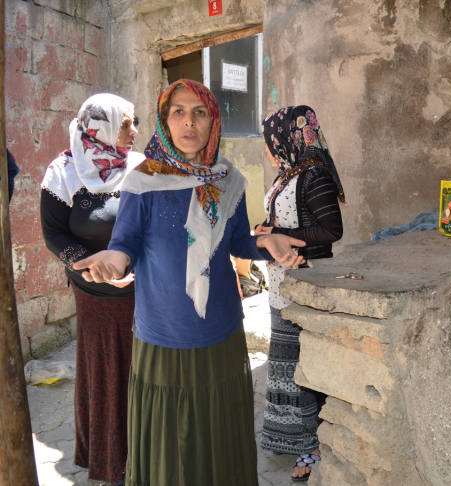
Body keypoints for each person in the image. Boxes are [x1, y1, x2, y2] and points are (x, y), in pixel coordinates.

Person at [72, 79, 306, 486]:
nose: (188, 122)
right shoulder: (141, 182)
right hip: (163, 334)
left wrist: (266, 242)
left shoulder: (226, 179)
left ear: (213, 120)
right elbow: (123, 244)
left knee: (218, 437)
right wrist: (112, 260)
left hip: (220, 331)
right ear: (164, 121)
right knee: (171, 447)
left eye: (199, 112)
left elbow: (236, 243)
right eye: (177, 112)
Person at [40, 93, 143, 485]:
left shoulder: (139, 168)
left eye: (134, 123)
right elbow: (54, 233)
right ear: (100, 126)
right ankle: (110, 462)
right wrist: (91, 265)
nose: (134, 132)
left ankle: (145, 455)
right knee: (104, 376)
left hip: (140, 292)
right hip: (96, 297)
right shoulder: (63, 172)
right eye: (126, 123)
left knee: (143, 375)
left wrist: (130, 262)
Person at [255, 106, 345, 481]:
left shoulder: (314, 175)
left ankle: (311, 447)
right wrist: (266, 231)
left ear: (286, 138)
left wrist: (282, 239)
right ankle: (293, 438)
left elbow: (331, 230)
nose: (266, 149)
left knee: (302, 372)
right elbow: (281, 221)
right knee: (285, 367)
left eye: (268, 141)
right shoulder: (286, 176)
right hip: (281, 286)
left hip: (306, 286)